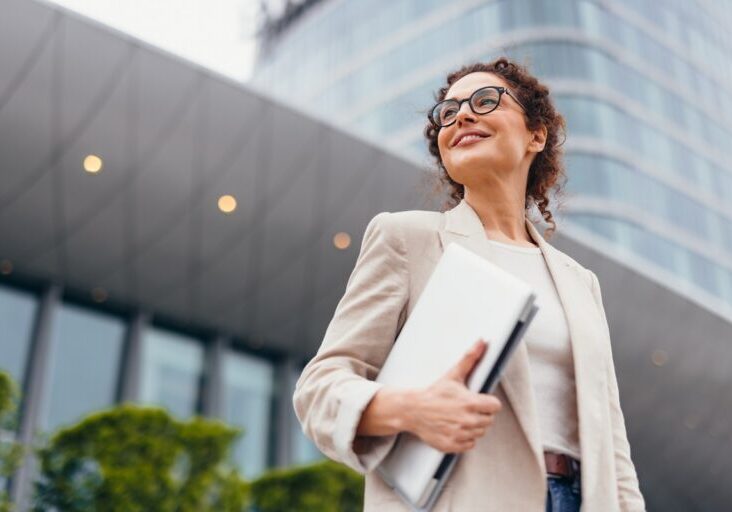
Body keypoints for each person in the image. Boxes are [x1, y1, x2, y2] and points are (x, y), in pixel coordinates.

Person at [293, 57, 646, 512]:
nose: (461, 115)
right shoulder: (408, 240)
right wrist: (409, 409)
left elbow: (612, 445)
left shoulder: (582, 284)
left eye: (485, 100)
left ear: (536, 135)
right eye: (448, 111)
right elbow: (320, 387)